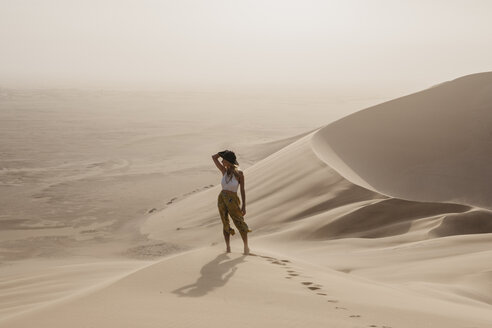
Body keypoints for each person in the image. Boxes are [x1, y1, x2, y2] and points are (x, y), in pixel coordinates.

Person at [212, 150, 251, 255]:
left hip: (233, 199)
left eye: (224, 159)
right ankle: (228, 248)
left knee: (239, 222)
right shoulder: (224, 171)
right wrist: (222, 153)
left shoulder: (239, 173)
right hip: (222, 198)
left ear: (228, 161)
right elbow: (213, 157)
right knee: (225, 222)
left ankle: (246, 247)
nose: (222, 161)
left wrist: (244, 206)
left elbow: (242, 190)